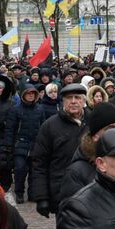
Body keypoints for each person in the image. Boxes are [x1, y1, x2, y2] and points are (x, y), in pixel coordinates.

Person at [29, 82, 87, 219]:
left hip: (90, 191)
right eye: (69, 98)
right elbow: (39, 162)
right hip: (62, 192)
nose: (73, 102)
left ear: (84, 101)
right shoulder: (50, 126)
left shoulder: (93, 122)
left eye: (77, 98)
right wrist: (41, 196)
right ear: (63, 101)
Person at [3, 84, 46, 205]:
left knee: (34, 171)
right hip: (20, 144)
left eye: (33, 93)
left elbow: (43, 127)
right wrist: (8, 145)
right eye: (28, 93)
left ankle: (32, 193)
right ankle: (19, 193)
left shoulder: (40, 109)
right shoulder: (15, 109)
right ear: (23, 94)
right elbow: (10, 129)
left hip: (35, 145)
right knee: (19, 170)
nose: (31, 95)